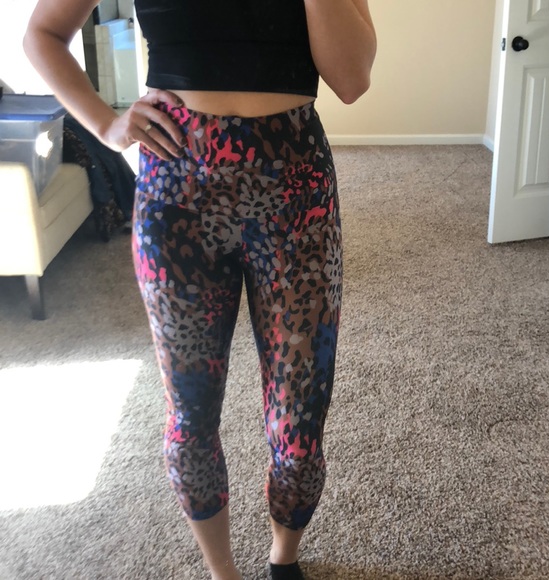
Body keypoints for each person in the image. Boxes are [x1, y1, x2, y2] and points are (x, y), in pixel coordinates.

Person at [24, 2, 376, 578]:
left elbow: (352, 79)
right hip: (176, 189)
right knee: (190, 417)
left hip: (296, 188)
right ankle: (222, 573)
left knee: (300, 423)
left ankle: (283, 558)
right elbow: (42, 33)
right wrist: (106, 125)